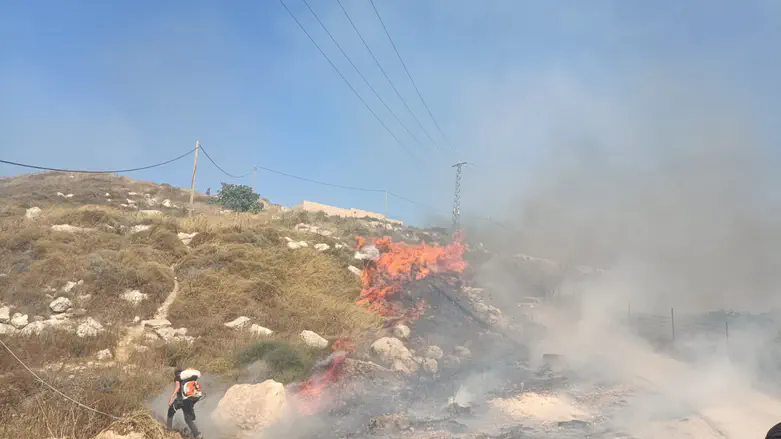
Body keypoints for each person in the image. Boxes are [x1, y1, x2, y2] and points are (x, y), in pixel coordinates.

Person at [167, 367, 203, 438]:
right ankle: (198, 435)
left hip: (181, 400)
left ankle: (168, 431)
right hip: (188, 400)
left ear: (175, 373)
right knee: (188, 419)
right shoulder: (188, 378)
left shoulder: (178, 377)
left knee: (170, 411)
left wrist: (171, 398)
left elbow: (177, 387)